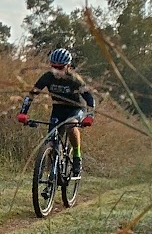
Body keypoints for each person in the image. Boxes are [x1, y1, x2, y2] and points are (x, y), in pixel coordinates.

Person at [16, 47, 95, 177]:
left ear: (68, 66)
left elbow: (90, 98)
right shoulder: (47, 77)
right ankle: (52, 174)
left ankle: (76, 156)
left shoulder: (74, 80)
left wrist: (90, 116)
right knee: (51, 141)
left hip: (76, 109)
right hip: (58, 110)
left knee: (70, 125)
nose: (56, 71)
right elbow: (31, 95)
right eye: (53, 67)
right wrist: (23, 112)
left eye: (60, 68)